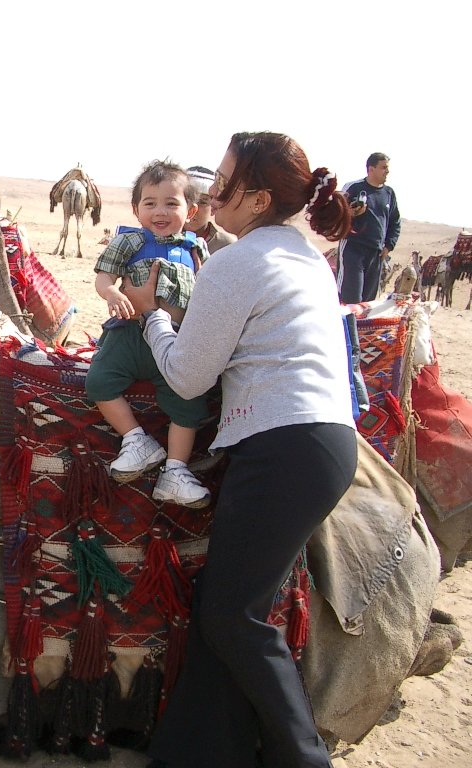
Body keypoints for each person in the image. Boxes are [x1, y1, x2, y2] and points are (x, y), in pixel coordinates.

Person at [121, 132, 359, 768]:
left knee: (235, 617)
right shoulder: (303, 256)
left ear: (255, 199)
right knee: (222, 608)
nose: (207, 192)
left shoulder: (238, 263)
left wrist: (151, 315)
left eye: (221, 183)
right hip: (321, 443)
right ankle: (196, 752)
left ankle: (303, 758)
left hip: (284, 448)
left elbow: (189, 377)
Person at [85, 160, 212, 508]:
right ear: (136, 209)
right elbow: (104, 277)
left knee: (188, 402)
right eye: (150, 203)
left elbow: (206, 288)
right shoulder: (129, 240)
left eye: (171, 203)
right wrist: (112, 294)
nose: (160, 211)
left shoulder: (194, 249)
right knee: (99, 381)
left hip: (175, 340)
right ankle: (136, 438)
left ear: (192, 210)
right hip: (129, 333)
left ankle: (175, 471)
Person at [338, 152, 401, 303]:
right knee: (351, 300)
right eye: (383, 167)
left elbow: (395, 222)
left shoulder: (389, 193)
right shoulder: (353, 188)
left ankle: (360, 328)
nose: (387, 171)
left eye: (387, 168)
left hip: (376, 254)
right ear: (371, 169)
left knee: (368, 303)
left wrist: (388, 246)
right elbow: (336, 214)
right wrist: (352, 213)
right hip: (353, 249)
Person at [184, 166, 237, 253]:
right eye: (187, 200)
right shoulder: (160, 238)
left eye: (202, 202)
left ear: (213, 208)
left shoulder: (226, 247)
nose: (193, 208)